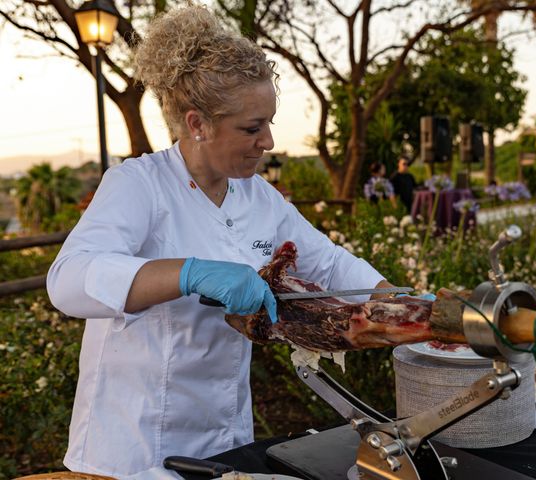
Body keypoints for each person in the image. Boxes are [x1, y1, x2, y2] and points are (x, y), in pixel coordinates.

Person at [46, 5, 394, 477]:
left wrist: (403, 305)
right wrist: (188, 273)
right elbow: (68, 281)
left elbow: (329, 266)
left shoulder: (259, 197)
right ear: (197, 124)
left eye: (269, 123)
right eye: (252, 128)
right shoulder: (138, 185)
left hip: (225, 439)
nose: (268, 141)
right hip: (135, 447)